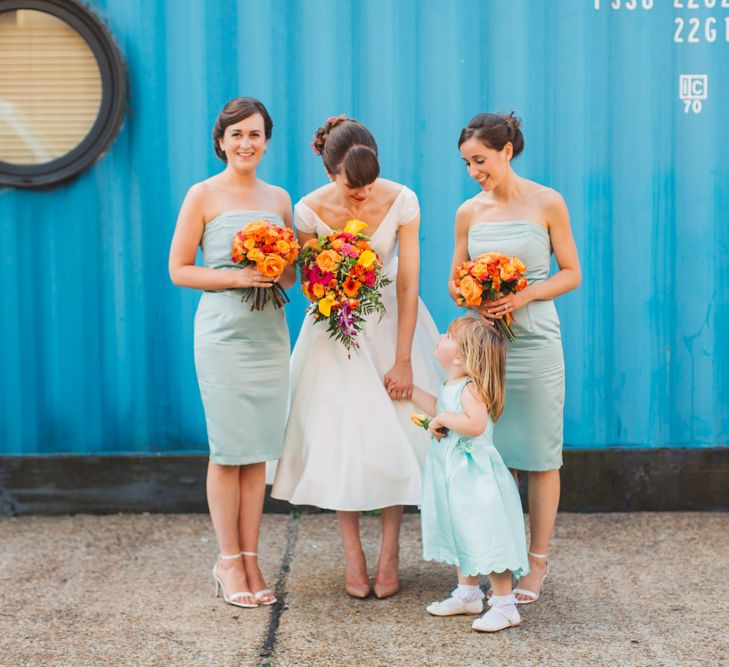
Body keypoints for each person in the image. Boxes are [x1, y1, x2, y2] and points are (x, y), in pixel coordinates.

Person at [272, 115, 442, 599]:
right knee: (343, 440)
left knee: (398, 434)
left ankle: (390, 553)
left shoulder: (403, 200)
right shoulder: (307, 212)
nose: (362, 196)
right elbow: (311, 285)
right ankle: (353, 553)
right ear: (331, 176)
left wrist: (405, 358)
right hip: (336, 330)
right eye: (352, 188)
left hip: (392, 325)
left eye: (369, 184)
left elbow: (408, 282)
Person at [169, 97, 295, 608]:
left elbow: (289, 276)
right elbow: (180, 269)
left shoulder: (280, 198)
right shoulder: (202, 195)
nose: (246, 143)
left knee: (256, 453)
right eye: (237, 134)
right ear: (221, 140)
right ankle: (227, 560)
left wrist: (278, 265)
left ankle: (251, 557)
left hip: (269, 334)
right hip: (222, 334)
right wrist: (236, 276)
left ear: (267, 142)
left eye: (256, 134)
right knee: (227, 449)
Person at [450, 112, 581, 603]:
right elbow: (453, 279)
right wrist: (473, 296)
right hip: (488, 351)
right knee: (491, 454)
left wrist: (524, 295)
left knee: (542, 457)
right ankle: (501, 558)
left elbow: (571, 272)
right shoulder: (468, 212)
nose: (473, 171)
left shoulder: (548, 202)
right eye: (466, 163)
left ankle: (538, 562)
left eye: (480, 160)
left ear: (507, 151)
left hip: (537, 345)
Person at [409, 316, 529, 632]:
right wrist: (412, 394)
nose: (440, 335)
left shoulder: (471, 388)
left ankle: (505, 605)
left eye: (448, 335)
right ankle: (468, 594)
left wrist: (445, 418)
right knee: (463, 531)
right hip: (455, 476)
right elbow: (440, 407)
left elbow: (474, 425)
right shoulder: (451, 384)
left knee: (486, 535)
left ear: (461, 356)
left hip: (476, 480)